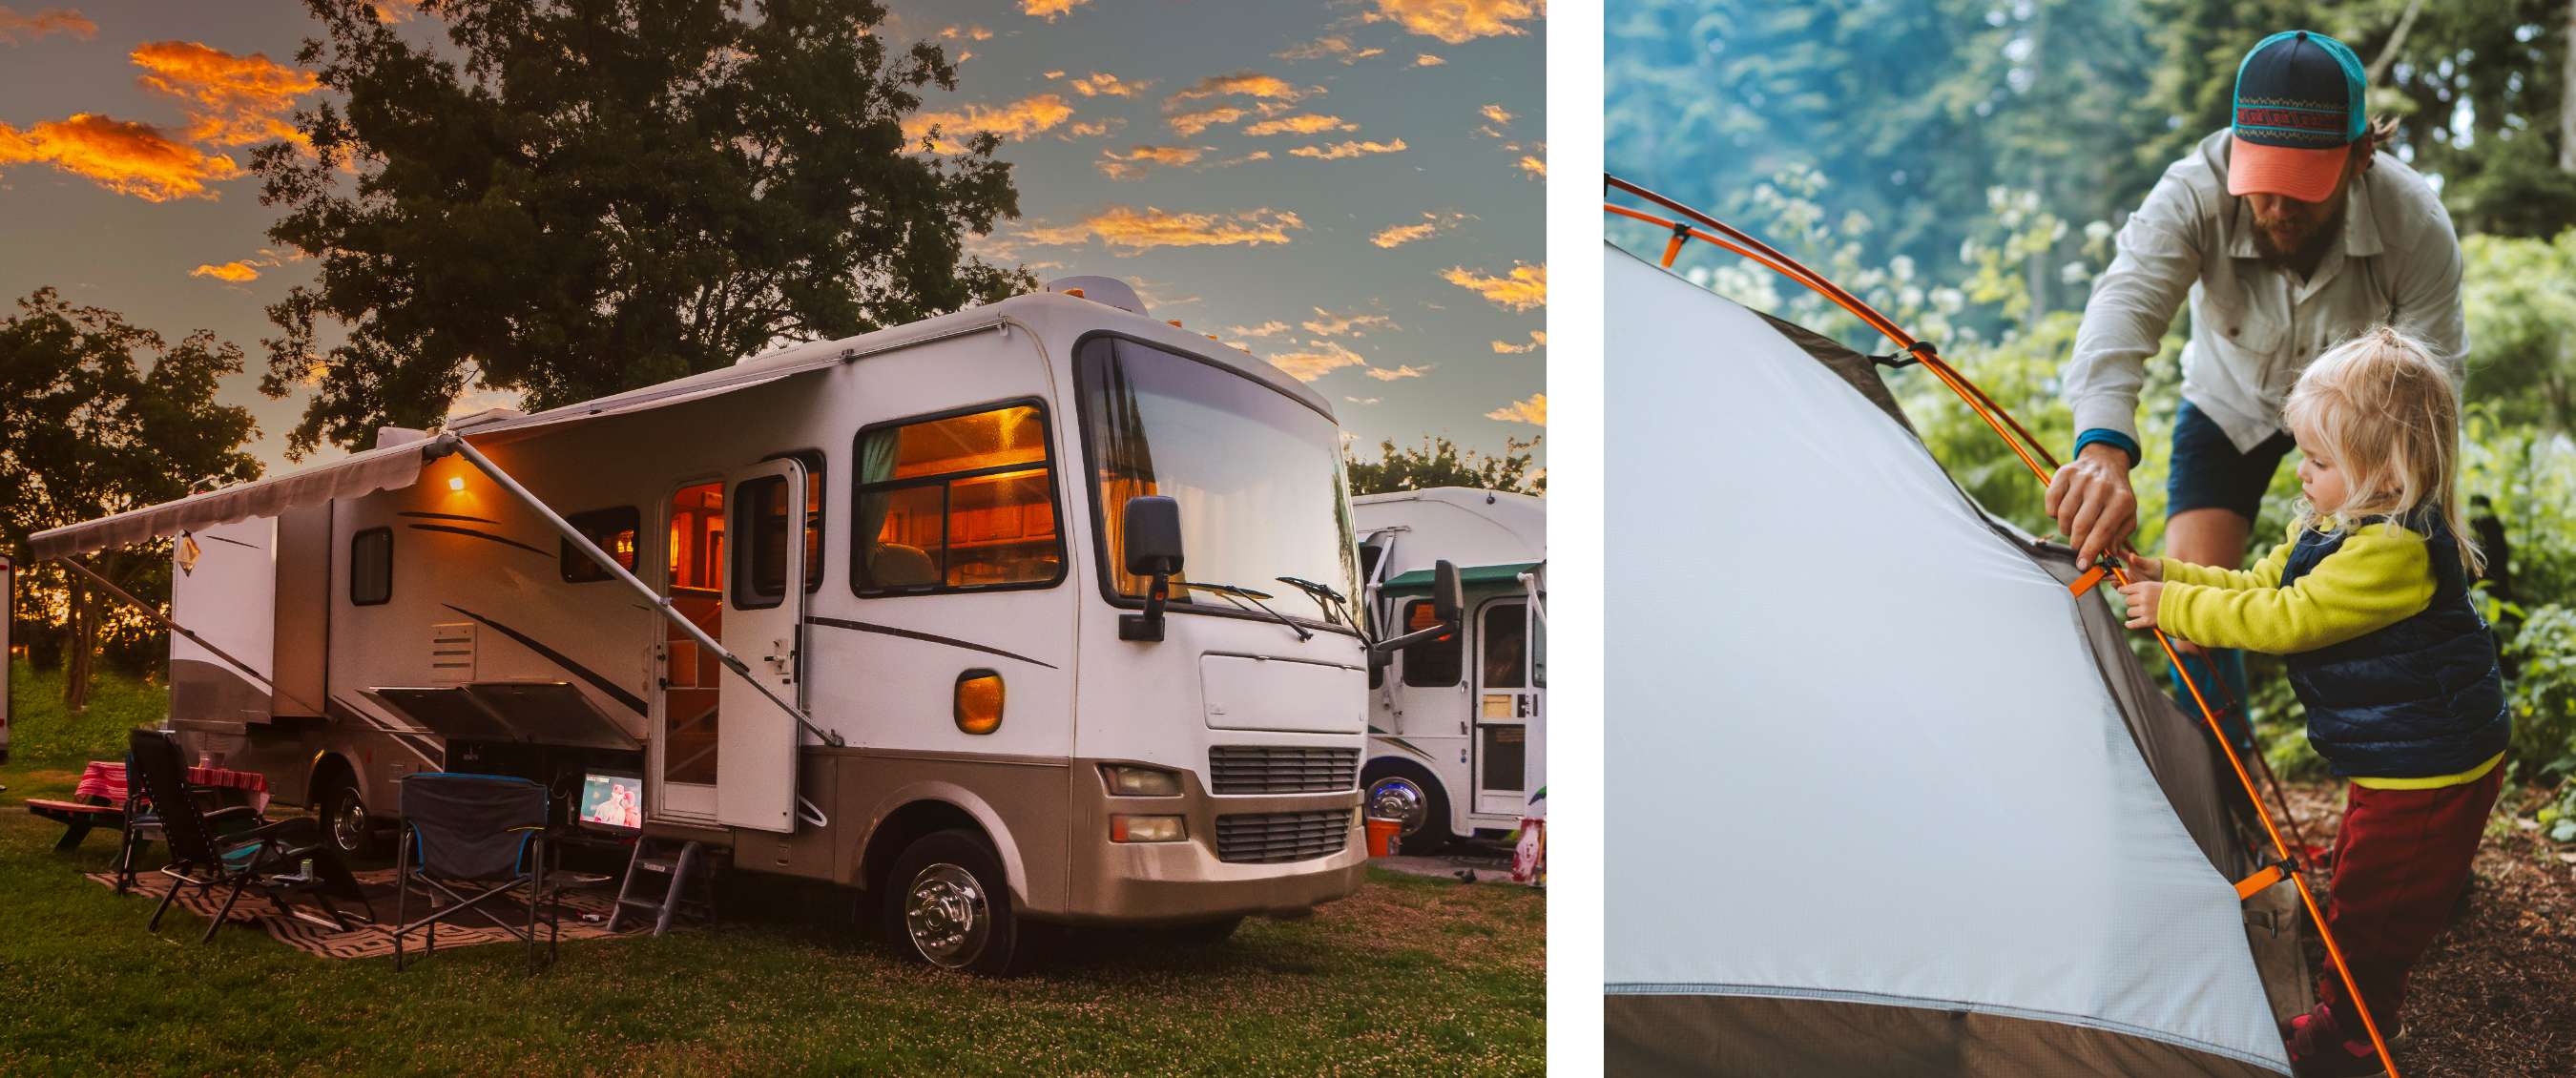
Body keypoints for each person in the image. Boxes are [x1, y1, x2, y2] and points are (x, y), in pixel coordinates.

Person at [2048, 30, 2465, 745]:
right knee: (2189, 617)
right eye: (2261, 177)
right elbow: (2123, 308)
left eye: (2302, 184)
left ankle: (2403, 751)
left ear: (2362, 155)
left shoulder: (2415, 222)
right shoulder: (2192, 190)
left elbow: (2433, 393)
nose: (2275, 206)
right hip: (2227, 404)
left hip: (2362, 433)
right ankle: (2227, 788)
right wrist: (2103, 449)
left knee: (2386, 594)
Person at [2116, 327, 2506, 1078]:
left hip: (2431, 768)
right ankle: (2351, 993)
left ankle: (2352, 1037)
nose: (2302, 473)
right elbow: (2264, 586)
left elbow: (2285, 622)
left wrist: (2174, 609)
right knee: (2365, 868)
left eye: (2321, 462)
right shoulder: (2338, 524)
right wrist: (2170, 573)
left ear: (2387, 474)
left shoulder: (2390, 553)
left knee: (2372, 919)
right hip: (2396, 757)